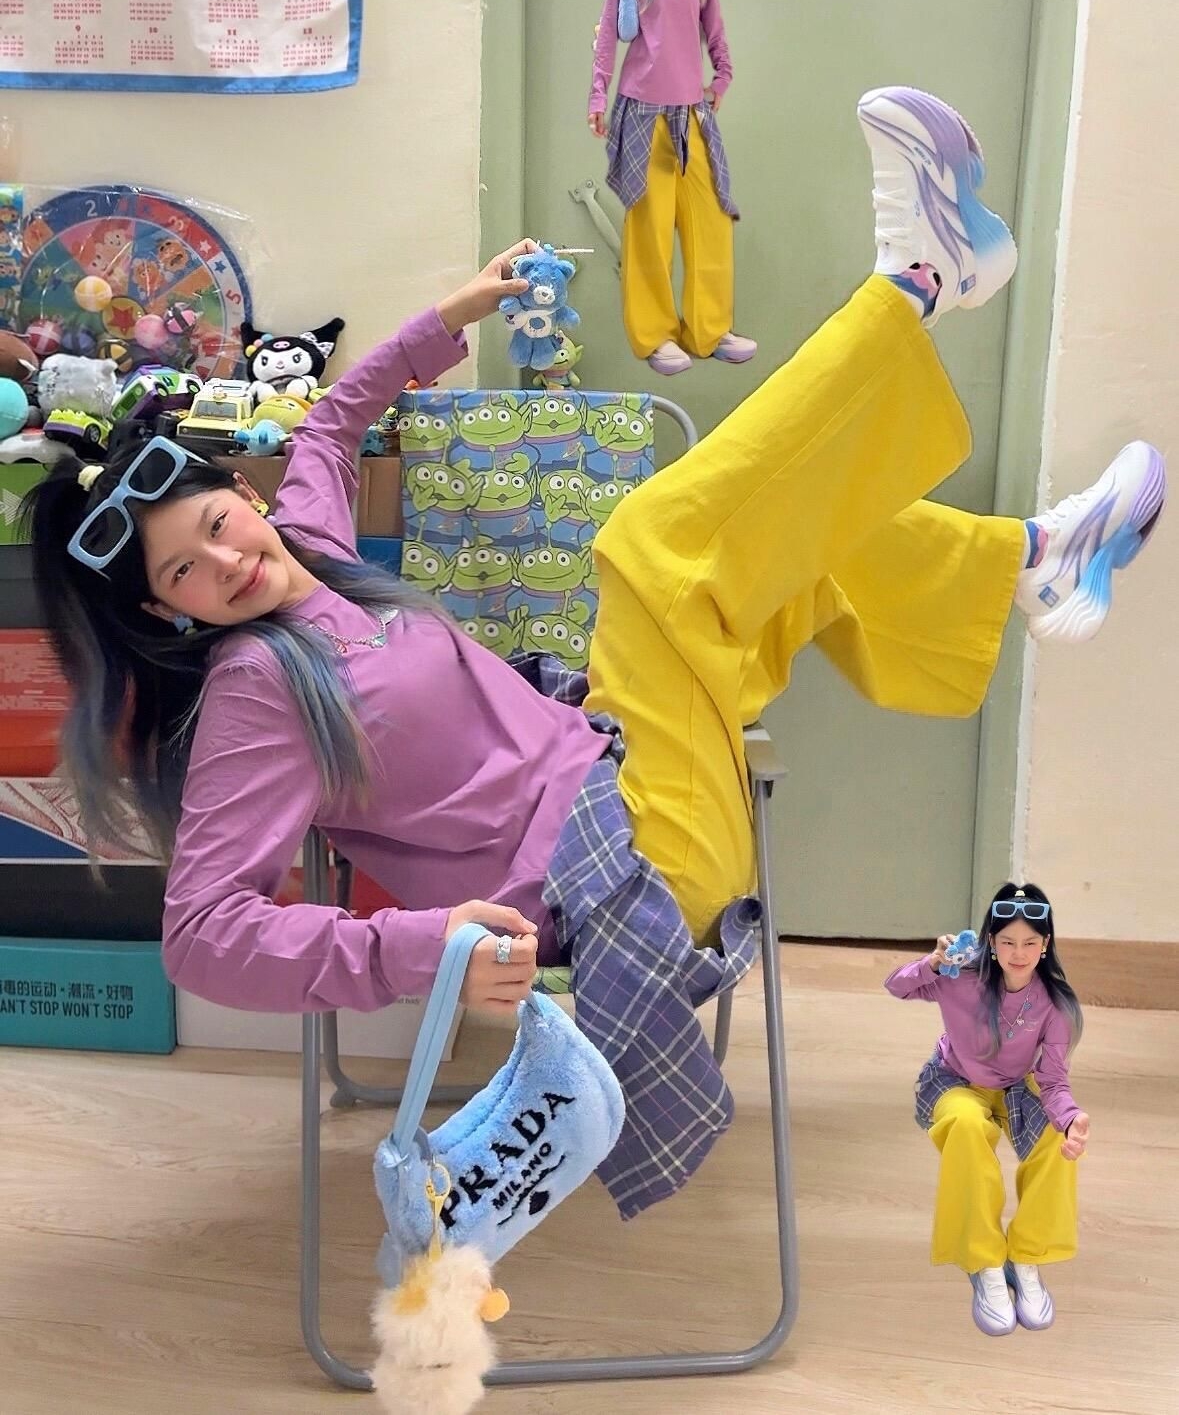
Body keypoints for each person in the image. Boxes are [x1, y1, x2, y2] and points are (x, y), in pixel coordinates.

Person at [24, 87, 1165, 1036]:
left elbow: (327, 427)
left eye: (215, 526)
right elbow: (203, 936)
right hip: (626, 876)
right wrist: (423, 948)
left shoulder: (311, 546)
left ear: (241, 495)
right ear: (166, 613)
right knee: (648, 549)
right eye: (182, 574)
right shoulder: (255, 693)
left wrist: (449, 317)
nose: (223, 563)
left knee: (780, 533)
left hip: (625, 756)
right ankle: (915, 283)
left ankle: (1031, 561)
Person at [885, 886, 1088, 1335]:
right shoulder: (959, 975)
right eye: (1008, 941)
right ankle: (984, 1260)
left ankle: (1026, 1256)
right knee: (965, 1125)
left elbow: (1054, 1081)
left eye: (1030, 943)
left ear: (1045, 945)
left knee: (1058, 1139)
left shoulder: (1054, 1004)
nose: (1019, 953)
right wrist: (932, 963)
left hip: (1016, 1087)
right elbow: (896, 986)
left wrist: (1071, 1118)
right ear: (991, 942)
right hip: (956, 1080)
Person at [588, 0, 756, 375]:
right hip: (642, 112)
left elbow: (715, 30)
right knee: (650, 229)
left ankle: (710, 330)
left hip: (692, 114)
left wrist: (721, 79)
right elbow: (607, 37)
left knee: (711, 222)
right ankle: (656, 336)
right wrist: (597, 95)